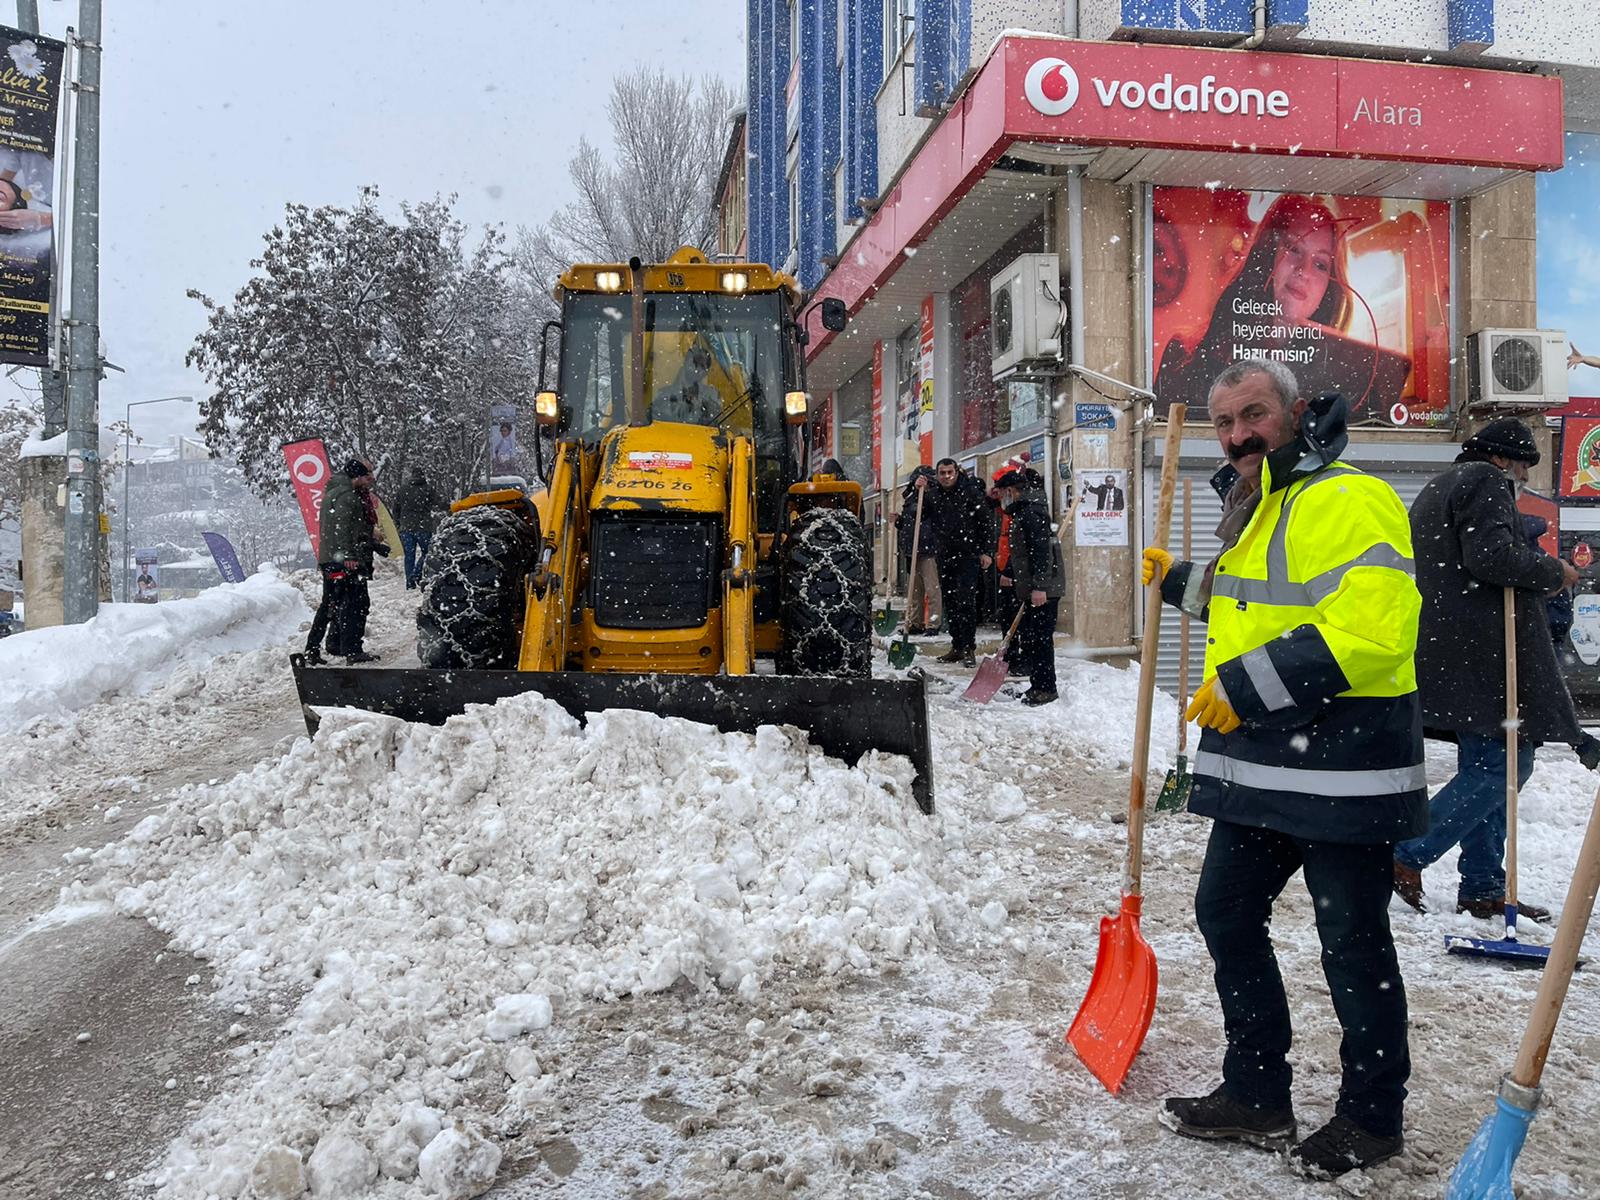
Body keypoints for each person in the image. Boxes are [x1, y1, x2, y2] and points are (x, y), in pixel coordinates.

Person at [1148, 358, 1423, 1179]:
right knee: (1225, 915)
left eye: (1254, 414)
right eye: (1225, 422)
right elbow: (1257, 609)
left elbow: (1373, 631)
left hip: (1344, 771)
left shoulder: (1346, 497)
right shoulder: (1258, 505)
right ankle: (1257, 1091)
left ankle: (1371, 1118)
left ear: (1296, 414)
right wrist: (1182, 584)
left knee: (1353, 946)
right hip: (1263, 770)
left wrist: (1242, 687)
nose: (1239, 435)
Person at [1391, 419, 1596, 919]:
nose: (1524, 476)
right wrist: (1553, 571)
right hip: (1482, 654)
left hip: (1455, 650)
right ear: (1503, 458)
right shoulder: (1485, 480)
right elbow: (1491, 557)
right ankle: (1405, 853)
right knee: (1506, 766)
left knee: (1488, 764)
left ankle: (1483, 886)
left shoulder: (1441, 485)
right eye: (1524, 465)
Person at [1156, 195, 1408, 423]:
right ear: (1266, 253)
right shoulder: (1184, 354)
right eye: (1294, 248)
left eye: (1320, 264)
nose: (1304, 271)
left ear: (1329, 287)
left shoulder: (1350, 378)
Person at [916, 458, 995, 667]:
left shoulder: (970, 492)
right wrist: (917, 491)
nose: (946, 477)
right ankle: (957, 645)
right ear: (937, 475)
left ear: (956, 472)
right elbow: (920, 515)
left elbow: (986, 522)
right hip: (945, 555)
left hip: (968, 554)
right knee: (950, 602)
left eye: (949, 472)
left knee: (966, 601)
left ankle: (968, 647)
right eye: (942, 473)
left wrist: (986, 551)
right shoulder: (933, 496)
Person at [309, 457, 388, 664]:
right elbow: (343, 528)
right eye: (366, 475)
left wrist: (371, 542)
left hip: (330, 557)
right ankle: (352, 649)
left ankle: (315, 649)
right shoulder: (348, 496)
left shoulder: (333, 492)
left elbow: (345, 527)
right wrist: (349, 556)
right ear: (357, 476)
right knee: (356, 604)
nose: (370, 479)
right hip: (344, 559)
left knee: (330, 604)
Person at [994, 467, 1062, 705]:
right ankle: (1037, 685)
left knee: (1041, 640)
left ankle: (1046, 688)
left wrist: (1040, 587)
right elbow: (1022, 554)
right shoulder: (1023, 512)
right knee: (1032, 639)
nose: (1001, 499)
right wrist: (1010, 573)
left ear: (1011, 491)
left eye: (1002, 493)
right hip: (1032, 586)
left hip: (1044, 589)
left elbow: (1042, 554)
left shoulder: (1032, 513)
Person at [897, 465, 942, 635]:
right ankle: (916, 622)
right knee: (915, 589)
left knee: (932, 589)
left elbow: (928, 512)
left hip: (928, 548)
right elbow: (909, 520)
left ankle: (933, 623)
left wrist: (924, 490)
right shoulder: (911, 497)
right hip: (913, 549)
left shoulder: (933, 496)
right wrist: (899, 521)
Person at [394, 466, 445, 590]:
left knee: (409, 555)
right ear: (422, 476)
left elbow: (396, 509)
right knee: (427, 553)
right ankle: (417, 573)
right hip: (423, 527)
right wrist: (451, 507)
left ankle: (409, 582)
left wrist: (398, 524)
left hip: (406, 528)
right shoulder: (428, 489)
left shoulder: (402, 490)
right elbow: (440, 503)